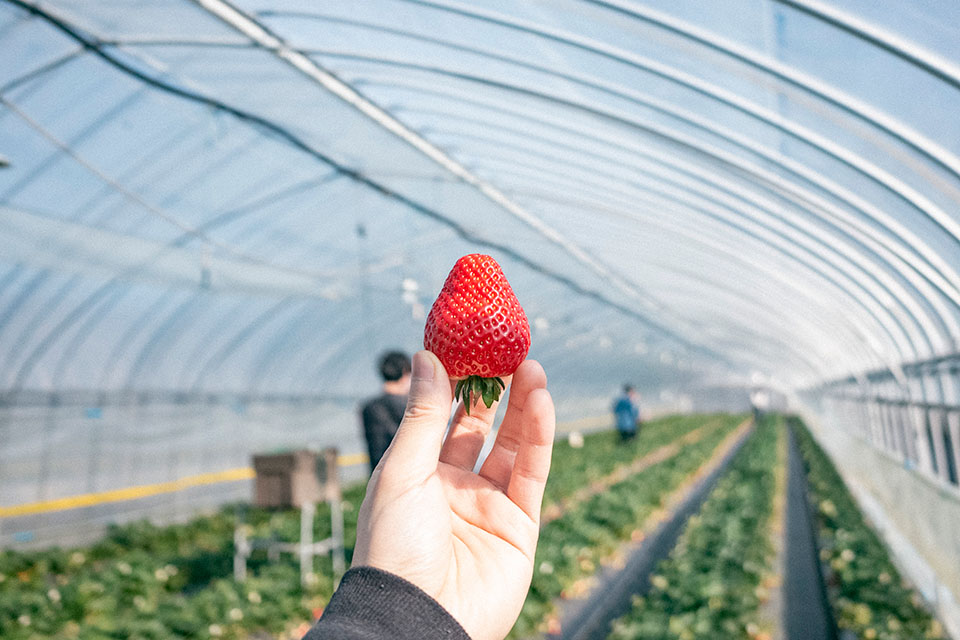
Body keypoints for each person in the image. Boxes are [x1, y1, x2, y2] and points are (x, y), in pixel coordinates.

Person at [306, 350, 555, 640]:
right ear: (405, 372)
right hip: (435, 481)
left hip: (393, 487)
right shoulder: (409, 405)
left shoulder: (369, 408)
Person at [360, 351, 412, 473]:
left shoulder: (368, 407)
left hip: (378, 477)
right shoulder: (409, 408)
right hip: (407, 476)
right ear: (405, 372)